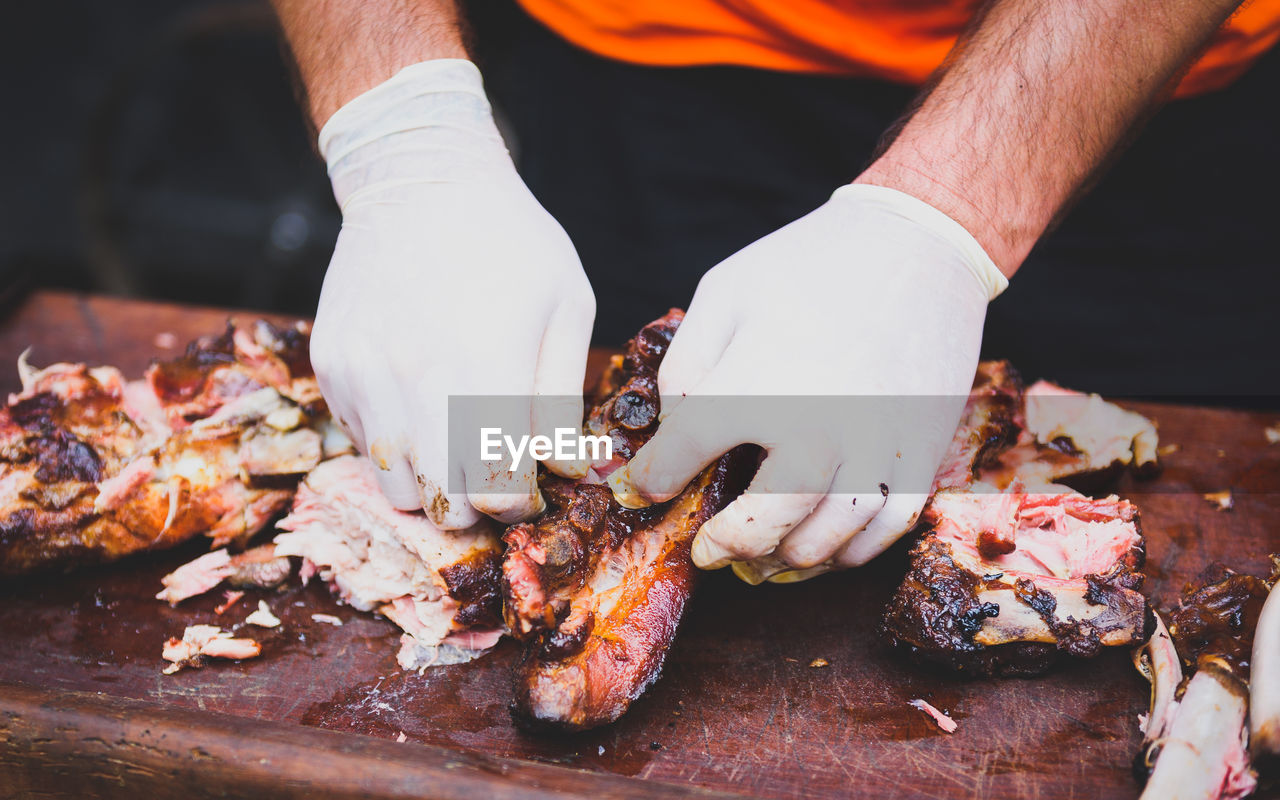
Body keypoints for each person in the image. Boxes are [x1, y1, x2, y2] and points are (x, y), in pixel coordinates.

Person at [269, 0, 1279, 581]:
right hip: (642, 73)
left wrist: (943, 216)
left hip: (1131, 90)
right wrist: (400, 134)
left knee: (1178, 534)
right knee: (574, 457)